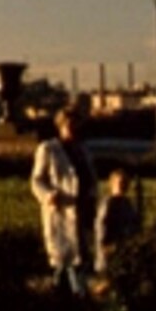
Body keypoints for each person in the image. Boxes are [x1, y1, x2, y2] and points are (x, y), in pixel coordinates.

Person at [29, 102, 99, 296]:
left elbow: (90, 177)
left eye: (76, 125)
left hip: (82, 211)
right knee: (64, 260)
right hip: (60, 211)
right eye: (69, 125)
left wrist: (92, 197)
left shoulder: (83, 150)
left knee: (79, 259)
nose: (73, 129)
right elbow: (36, 180)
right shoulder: (49, 149)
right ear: (61, 126)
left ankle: (71, 296)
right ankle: (70, 296)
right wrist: (48, 195)